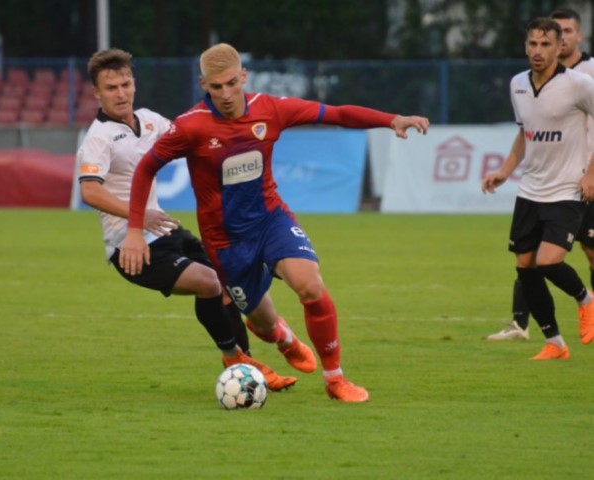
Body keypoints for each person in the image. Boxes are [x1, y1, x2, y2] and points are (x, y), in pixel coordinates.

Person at [119, 43, 429, 402]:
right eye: (216, 87)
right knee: (263, 324)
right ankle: (283, 338)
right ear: (203, 84)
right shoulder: (191, 126)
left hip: (270, 220)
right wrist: (134, 231)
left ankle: (335, 379)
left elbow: (337, 114)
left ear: (244, 76)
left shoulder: (270, 109)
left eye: (231, 83)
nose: (226, 94)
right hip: (226, 242)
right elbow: (145, 170)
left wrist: (391, 120)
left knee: (310, 285)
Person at [76, 48, 296, 392]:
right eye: (111, 88)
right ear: (96, 93)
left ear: (134, 84)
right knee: (209, 282)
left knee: (227, 281)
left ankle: (249, 369)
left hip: (165, 231)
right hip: (131, 246)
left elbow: (190, 135)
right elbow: (90, 192)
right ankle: (233, 359)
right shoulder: (98, 138)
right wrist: (138, 217)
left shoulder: (149, 120)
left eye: (125, 84)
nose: (120, 93)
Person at [482, 17, 594, 359]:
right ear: (525, 46)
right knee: (525, 267)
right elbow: (524, 132)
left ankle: (586, 299)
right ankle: (555, 343)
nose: (538, 51)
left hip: (566, 190)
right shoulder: (517, 84)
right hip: (529, 189)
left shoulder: (580, 84)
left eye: (546, 44)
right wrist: (505, 170)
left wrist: (591, 175)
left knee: (548, 262)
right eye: (533, 43)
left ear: (559, 47)